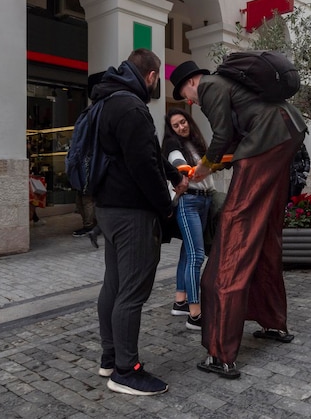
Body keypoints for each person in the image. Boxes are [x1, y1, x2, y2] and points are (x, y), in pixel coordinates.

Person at [171, 60, 307, 379]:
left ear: (193, 81)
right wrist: (216, 164)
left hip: (264, 144)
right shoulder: (232, 86)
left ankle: (221, 352)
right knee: (267, 235)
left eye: (185, 93)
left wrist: (204, 168)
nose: (190, 101)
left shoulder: (210, 85)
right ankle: (273, 321)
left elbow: (221, 136)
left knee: (235, 231)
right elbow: (231, 140)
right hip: (287, 133)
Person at [92, 49, 188, 395]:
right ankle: (125, 370)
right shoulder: (131, 107)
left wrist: (172, 173)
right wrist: (165, 206)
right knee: (131, 292)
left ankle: (109, 357)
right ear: (151, 76)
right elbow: (142, 164)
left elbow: (146, 154)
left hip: (108, 208)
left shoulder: (105, 101)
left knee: (114, 286)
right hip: (132, 213)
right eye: (157, 80)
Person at [162, 108, 215, 331]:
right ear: (171, 130)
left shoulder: (195, 143)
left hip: (204, 201)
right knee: (196, 255)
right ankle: (194, 315)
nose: (182, 127)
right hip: (189, 202)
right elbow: (178, 163)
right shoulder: (173, 145)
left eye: (183, 122)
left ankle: (180, 301)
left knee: (188, 251)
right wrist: (184, 170)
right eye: (176, 125)